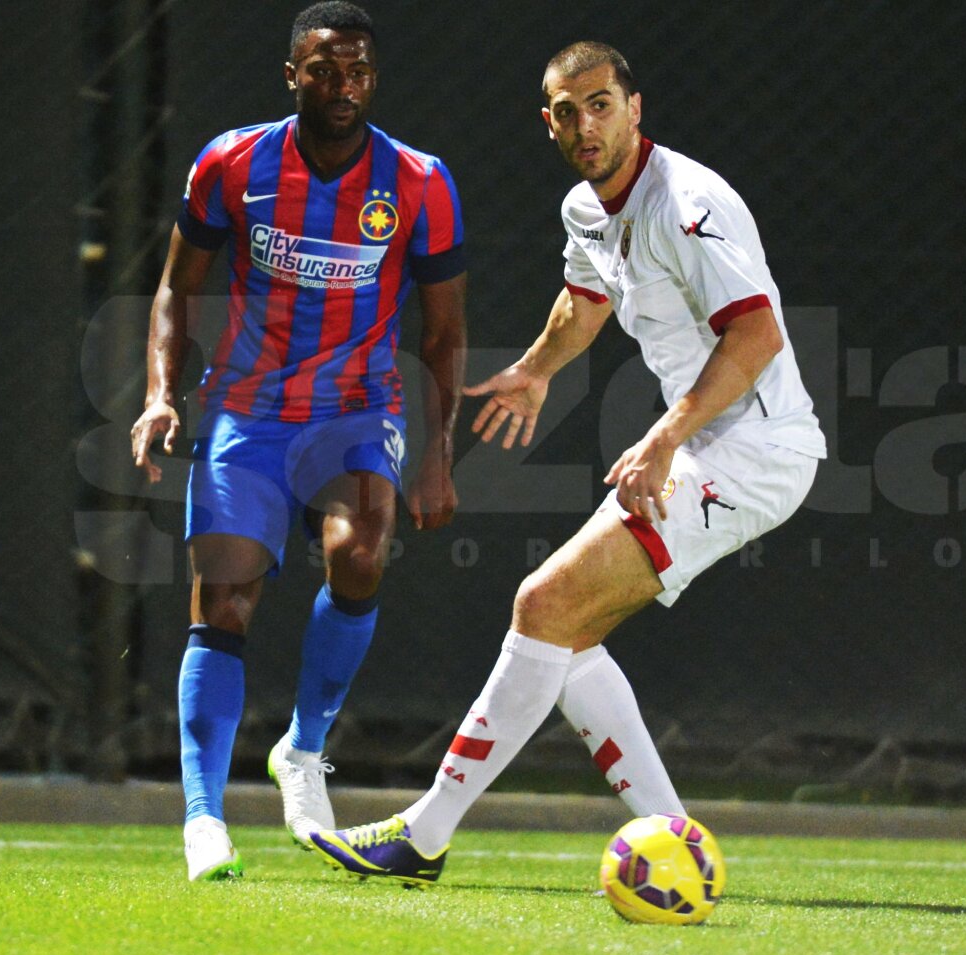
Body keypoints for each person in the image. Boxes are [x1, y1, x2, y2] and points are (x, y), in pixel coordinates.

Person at [311, 40, 825, 885]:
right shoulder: (586, 209)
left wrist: (661, 440)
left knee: (541, 602)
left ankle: (423, 835)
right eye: (566, 110)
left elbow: (758, 334)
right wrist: (538, 369)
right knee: (568, 632)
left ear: (634, 107)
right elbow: (586, 296)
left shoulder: (688, 201)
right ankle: (677, 843)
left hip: (755, 447)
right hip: (708, 442)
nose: (585, 124)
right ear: (545, 121)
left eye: (599, 104)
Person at [129, 2, 467, 881]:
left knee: (360, 556)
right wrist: (160, 394)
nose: (342, 86)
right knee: (227, 597)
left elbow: (442, 332)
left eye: (357, 70)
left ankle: (303, 750)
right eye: (324, 70)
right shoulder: (232, 163)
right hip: (247, 412)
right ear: (293, 75)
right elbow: (175, 288)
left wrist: (435, 455)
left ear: (373, 78)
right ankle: (204, 819)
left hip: (357, 408)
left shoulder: (420, 183)